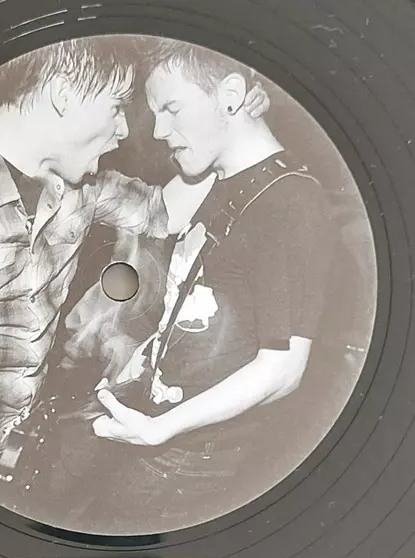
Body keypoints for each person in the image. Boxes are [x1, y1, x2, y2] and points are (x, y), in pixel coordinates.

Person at [0, 36, 268, 509]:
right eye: (116, 107)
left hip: (12, 460)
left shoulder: (83, 187)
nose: (124, 130)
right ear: (63, 94)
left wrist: (226, 130)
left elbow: (166, 212)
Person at [80, 39, 335, 532]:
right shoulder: (223, 177)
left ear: (232, 96)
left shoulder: (290, 202)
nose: (158, 131)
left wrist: (161, 429)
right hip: (158, 434)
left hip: (191, 458)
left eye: (172, 109)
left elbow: (283, 369)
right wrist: (149, 354)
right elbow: (213, 298)